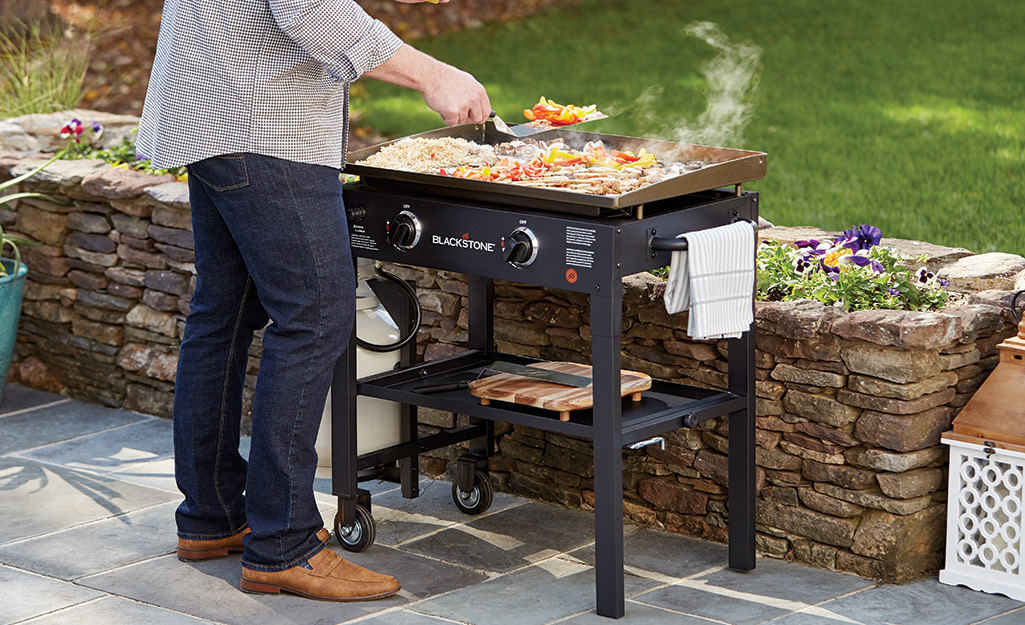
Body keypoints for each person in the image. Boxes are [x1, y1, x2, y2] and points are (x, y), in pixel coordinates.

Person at [136, 0, 490, 602]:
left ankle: (213, 515)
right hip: (262, 124)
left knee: (222, 315)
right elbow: (310, 9)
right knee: (317, 316)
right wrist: (437, 75)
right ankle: (283, 544)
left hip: (211, 111)